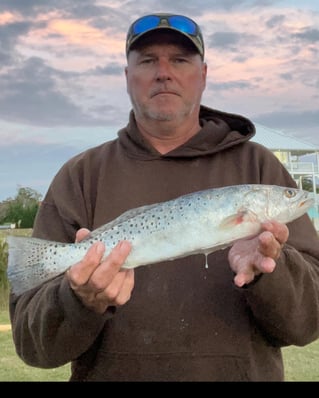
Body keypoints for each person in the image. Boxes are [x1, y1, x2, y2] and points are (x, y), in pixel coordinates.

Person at [9, 12, 319, 382]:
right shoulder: (81, 175)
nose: (163, 72)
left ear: (203, 75)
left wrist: (272, 272)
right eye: (147, 60)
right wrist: (78, 299)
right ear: (127, 78)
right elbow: (31, 345)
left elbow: (309, 323)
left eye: (180, 59)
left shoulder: (259, 166)